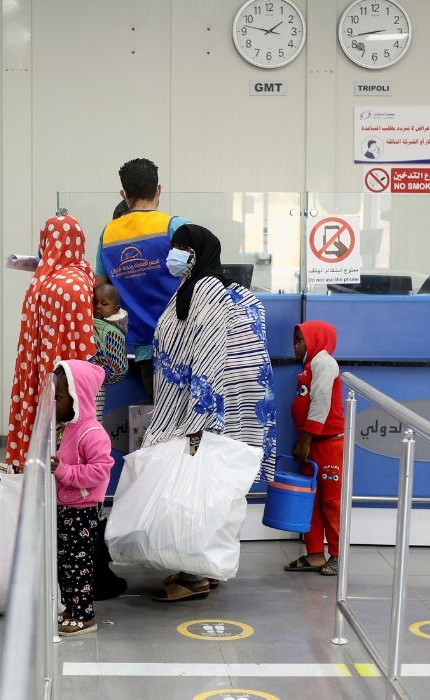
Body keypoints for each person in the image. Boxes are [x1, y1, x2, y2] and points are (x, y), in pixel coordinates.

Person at [142, 224, 276, 602]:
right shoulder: (191, 289)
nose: (175, 255)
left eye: (182, 248)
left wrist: (200, 422)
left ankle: (194, 576)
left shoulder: (207, 292)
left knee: (194, 496)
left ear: (199, 254)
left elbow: (209, 358)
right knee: (204, 496)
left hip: (204, 416)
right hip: (194, 411)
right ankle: (202, 570)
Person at [95, 158, 190, 400]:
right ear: (159, 189)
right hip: (180, 342)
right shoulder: (175, 226)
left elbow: (99, 287)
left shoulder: (108, 234)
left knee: (158, 421)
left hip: (137, 347)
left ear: (124, 194)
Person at [6, 214, 95, 469]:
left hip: (42, 374)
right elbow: (86, 343)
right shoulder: (80, 276)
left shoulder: (43, 281)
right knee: (74, 444)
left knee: (48, 442)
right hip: (73, 379)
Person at [51, 361, 113, 636]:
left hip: (82, 510)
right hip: (65, 506)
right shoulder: (68, 428)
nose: (54, 403)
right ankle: (71, 607)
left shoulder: (92, 432)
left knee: (78, 565)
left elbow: (100, 470)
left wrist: (63, 471)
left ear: (78, 396)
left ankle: (84, 615)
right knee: (64, 563)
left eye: (59, 397)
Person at [285, 321, 344, 577]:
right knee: (311, 502)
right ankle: (316, 553)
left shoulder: (324, 362)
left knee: (331, 502)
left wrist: (306, 440)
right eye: (295, 341)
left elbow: (321, 401)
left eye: (300, 340)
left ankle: (338, 555)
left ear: (315, 339)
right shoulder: (309, 366)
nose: (295, 346)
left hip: (327, 444)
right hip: (310, 445)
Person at [90, 282, 128, 421]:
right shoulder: (103, 322)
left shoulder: (111, 329)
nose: (98, 307)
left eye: (104, 304)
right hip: (96, 378)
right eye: (95, 303)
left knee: (94, 414)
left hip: (98, 379)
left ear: (116, 309)